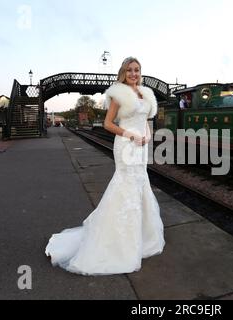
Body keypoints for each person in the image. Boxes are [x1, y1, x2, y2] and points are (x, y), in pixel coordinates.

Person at [45, 57, 165, 275]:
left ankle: (142, 237)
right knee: (125, 186)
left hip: (141, 146)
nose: (133, 73)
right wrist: (129, 134)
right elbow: (109, 124)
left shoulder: (146, 94)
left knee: (140, 184)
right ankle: (118, 242)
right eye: (129, 70)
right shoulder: (118, 93)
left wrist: (147, 135)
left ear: (141, 72)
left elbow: (147, 121)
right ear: (123, 72)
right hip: (126, 144)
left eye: (137, 70)